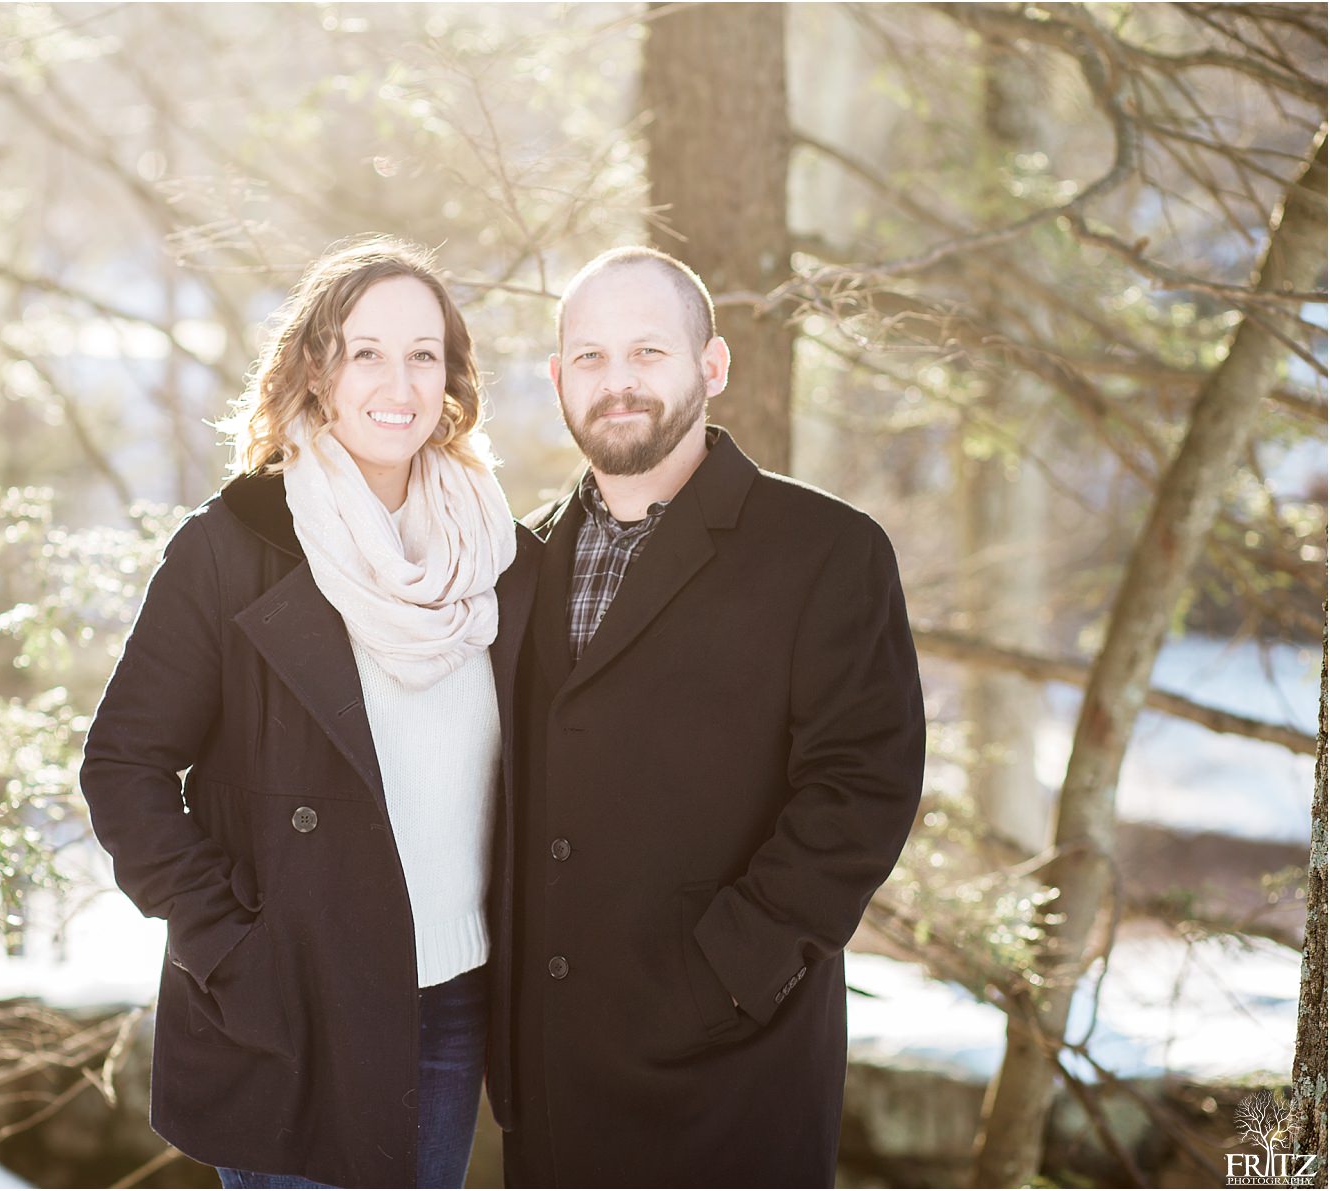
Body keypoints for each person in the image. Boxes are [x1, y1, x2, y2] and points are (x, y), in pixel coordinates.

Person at [80, 237, 540, 1189]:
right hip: (292, 1002)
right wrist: (226, 945)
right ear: (317, 370)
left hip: (450, 1003)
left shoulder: (500, 554)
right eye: (365, 350)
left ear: (451, 377)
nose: (397, 380)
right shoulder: (231, 547)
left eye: (423, 353)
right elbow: (123, 765)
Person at [494, 246, 925, 1188]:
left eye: (648, 352)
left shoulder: (826, 553)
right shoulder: (516, 563)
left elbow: (860, 794)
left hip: (732, 1077)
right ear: (559, 379)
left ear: (712, 366)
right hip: (551, 1085)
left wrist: (722, 977)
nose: (618, 384)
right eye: (592, 358)